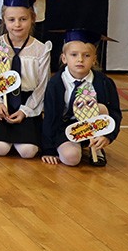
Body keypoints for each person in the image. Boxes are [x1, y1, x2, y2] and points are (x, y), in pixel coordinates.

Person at [0, 0, 50, 158]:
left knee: (28, 152)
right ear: (4, 20)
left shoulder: (41, 50)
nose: (17, 24)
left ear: (33, 18)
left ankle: (22, 136)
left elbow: (42, 86)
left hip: (27, 104)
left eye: (23, 19)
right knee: (0, 149)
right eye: (11, 19)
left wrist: (25, 111)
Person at [41, 29, 121, 167]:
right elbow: (50, 117)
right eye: (74, 55)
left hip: (93, 127)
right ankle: (74, 147)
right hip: (66, 129)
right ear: (64, 58)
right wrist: (49, 150)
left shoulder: (103, 82)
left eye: (87, 55)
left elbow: (114, 112)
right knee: (71, 158)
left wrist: (108, 136)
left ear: (94, 59)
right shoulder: (56, 83)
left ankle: (96, 147)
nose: (80, 59)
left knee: (101, 108)